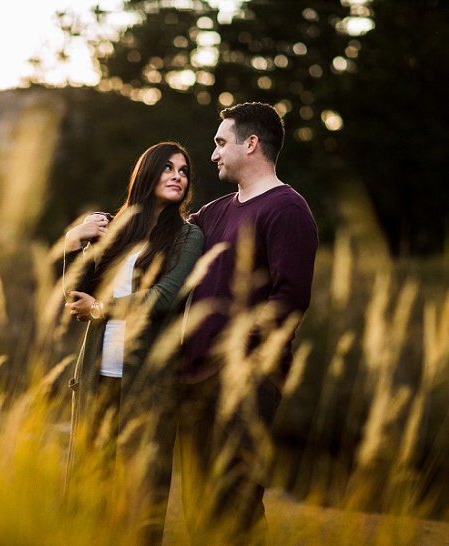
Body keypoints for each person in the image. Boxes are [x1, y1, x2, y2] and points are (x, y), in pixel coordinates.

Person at [176, 102, 318, 545]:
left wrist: (233, 352)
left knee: (235, 503)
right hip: (196, 379)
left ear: (251, 143)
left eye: (222, 142)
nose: (214, 153)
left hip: (247, 378)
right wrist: (96, 228)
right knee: (199, 504)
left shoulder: (287, 209)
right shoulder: (216, 211)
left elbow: (290, 300)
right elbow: (168, 237)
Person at [62, 141, 204, 544]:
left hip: (146, 387)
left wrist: (103, 308)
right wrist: (75, 239)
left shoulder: (188, 237)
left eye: (184, 170)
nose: (179, 176)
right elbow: (74, 295)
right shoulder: (117, 229)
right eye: (169, 168)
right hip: (95, 381)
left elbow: (166, 296)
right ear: (147, 173)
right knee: (87, 493)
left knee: (139, 501)